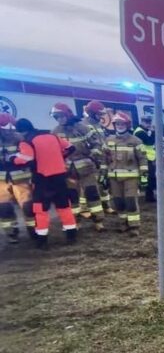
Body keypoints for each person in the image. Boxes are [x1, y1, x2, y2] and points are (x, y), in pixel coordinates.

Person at [13, 118, 77, 248]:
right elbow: (71, 147)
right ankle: (71, 235)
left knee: (41, 210)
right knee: (64, 207)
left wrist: (13, 159)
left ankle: (42, 240)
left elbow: (26, 159)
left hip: (42, 180)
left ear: (21, 131)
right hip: (60, 178)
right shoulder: (52, 136)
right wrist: (60, 157)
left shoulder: (27, 142)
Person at [51, 103, 105, 231]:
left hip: (86, 167)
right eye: (56, 117)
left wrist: (94, 155)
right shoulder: (55, 132)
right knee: (72, 196)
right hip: (68, 170)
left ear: (67, 114)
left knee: (92, 193)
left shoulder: (82, 128)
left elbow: (96, 144)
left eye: (61, 116)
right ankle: (76, 221)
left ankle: (98, 221)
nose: (59, 119)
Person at [105, 112, 147, 236]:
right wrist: (103, 175)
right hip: (114, 177)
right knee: (118, 202)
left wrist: (144, 176)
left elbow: (143, 159)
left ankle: (134, 226)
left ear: (127, 125)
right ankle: (122, 223)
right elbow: (104, 159)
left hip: (131, 177)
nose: (120, 126)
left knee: (130, 202)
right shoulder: (109, 140)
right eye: (117, 123)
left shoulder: (136, 141)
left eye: (122, 123)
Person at [0, 114, 35, 243]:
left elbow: (28, 157)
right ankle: (11, 233)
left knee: (28, 207)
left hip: (21, 178)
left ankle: (34, 230)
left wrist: (14, 159)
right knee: (4, 208)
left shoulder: (19, 138)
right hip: (2, 180)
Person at [83, 100, 114, 215]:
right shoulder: (84, 125)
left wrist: (108, 152)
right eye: (99, 114)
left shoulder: (98, 125)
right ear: (91, 113)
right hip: (92, 161)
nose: (101, 117)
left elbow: (102, 141)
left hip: (102, 159)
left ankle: (106, 205)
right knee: (92, 186)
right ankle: (88, 209)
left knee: (103, 183)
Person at [133, 115, 157, 203]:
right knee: (150, 178)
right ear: (142, 122)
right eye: (146, 122)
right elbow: (150, 142)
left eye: (149, 122)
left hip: (147, 158)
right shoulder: (140, 132)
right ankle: (149, 197)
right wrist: (154, 132)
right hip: (144, 158)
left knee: (149, 178)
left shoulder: (143, 131)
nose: (148, 124)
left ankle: (149, 196)